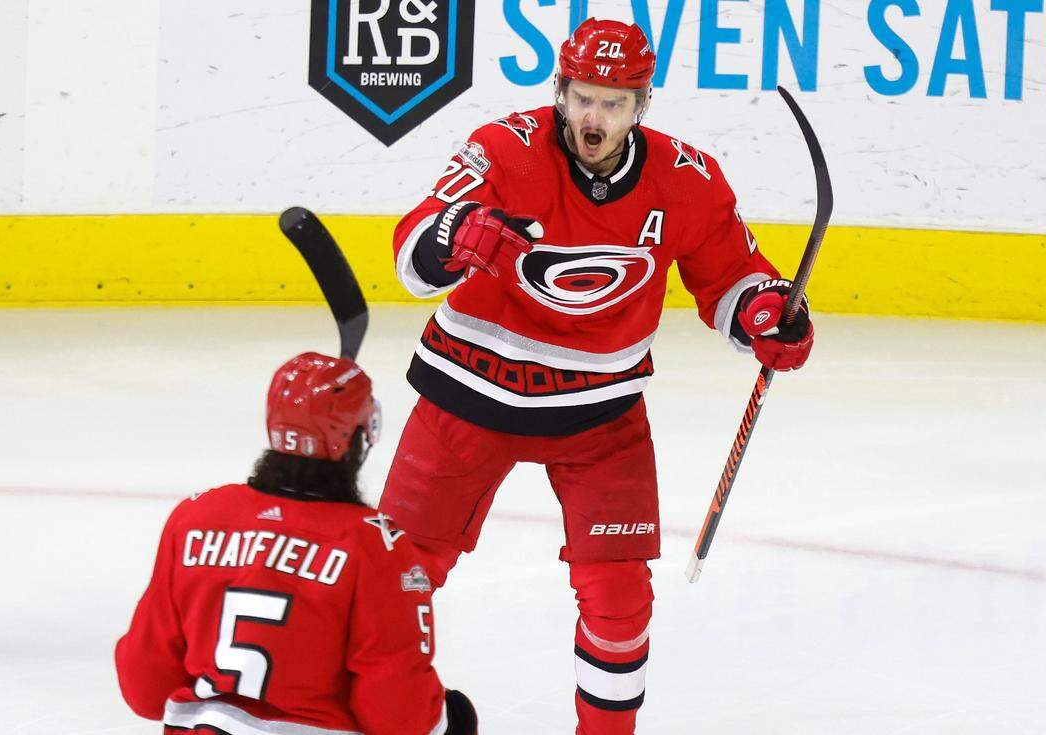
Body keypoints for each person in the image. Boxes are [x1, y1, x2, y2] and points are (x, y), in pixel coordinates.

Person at [379, 17, 815, 735]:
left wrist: (765, 314)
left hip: (599, 416)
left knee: (619, 596)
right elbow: (414, 241)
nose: (594, 116)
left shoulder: (689, 179)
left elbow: (734, 278)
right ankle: (385, 719)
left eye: (613, 103)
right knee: (400, 575)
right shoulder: (502, 148)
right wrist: (455, 236)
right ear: (560, 92)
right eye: (582, 97)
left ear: (642, 103)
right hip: (468, 394)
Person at [116, 352, 477, 735]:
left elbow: (145, 689)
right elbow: (397, 715)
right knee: (454, 717)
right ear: (357, 438)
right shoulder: (377, 546)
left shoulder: (194, 517)